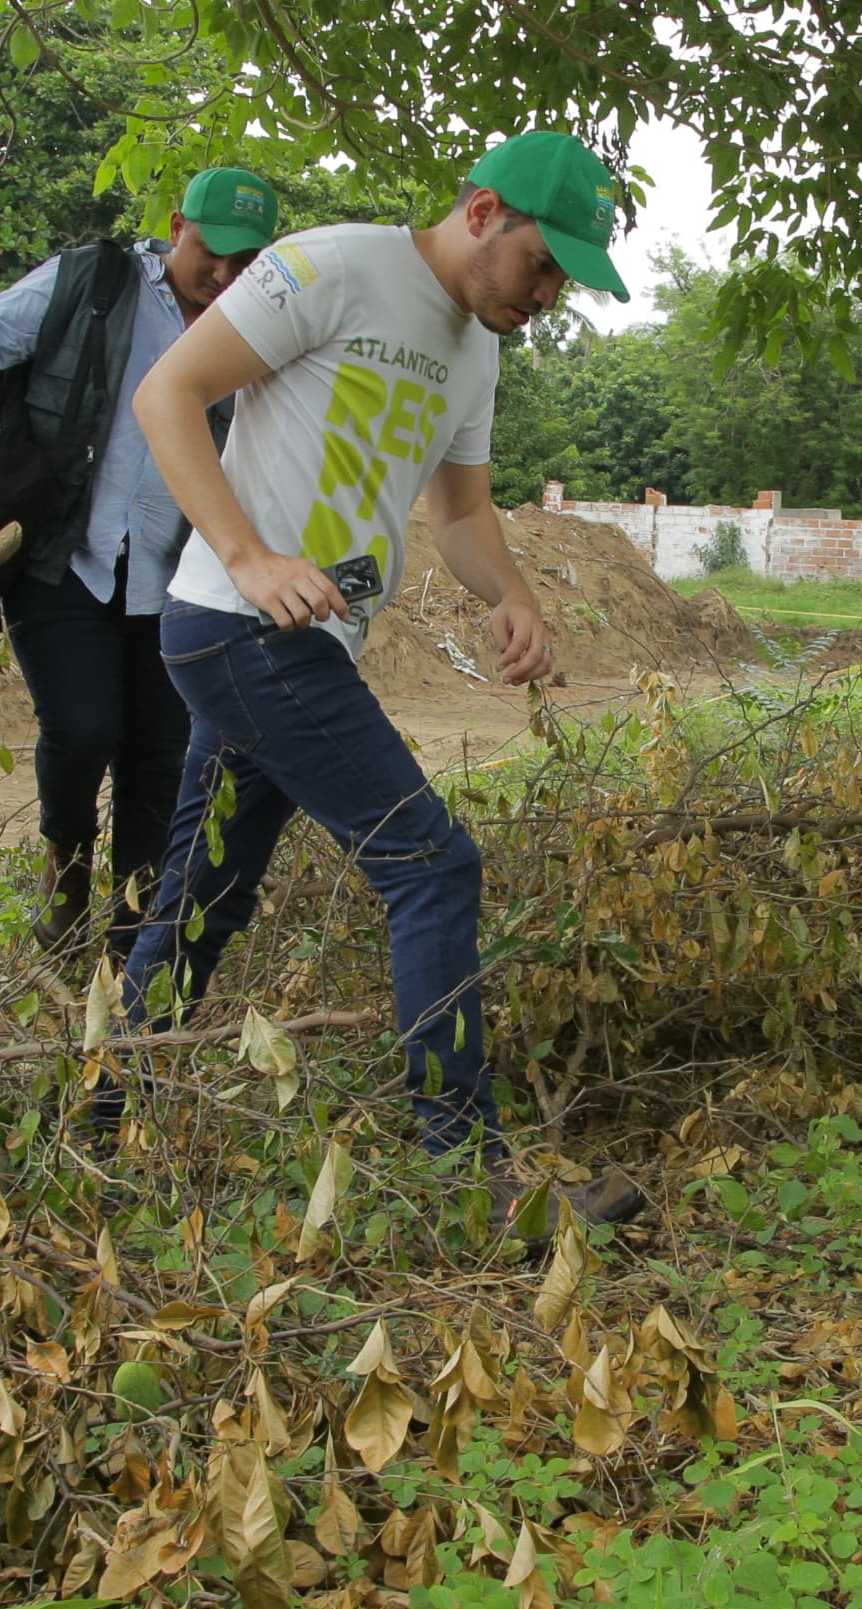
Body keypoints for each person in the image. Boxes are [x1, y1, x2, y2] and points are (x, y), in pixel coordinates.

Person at [110, 131, 640, 1210]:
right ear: (483, 212)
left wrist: (514, 596)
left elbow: (460, 512)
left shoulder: (477, 346)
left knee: (201, 897)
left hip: (288, 641)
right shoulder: (331, 265)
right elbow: (167, 394)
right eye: (542, 263)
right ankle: (468, 1168)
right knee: (431, 864)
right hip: (240, 625)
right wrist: (250, 555)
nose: (547, 295)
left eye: (564, 281)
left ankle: (91, 1109)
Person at [0, 169, 283, 957]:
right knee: (83, 729)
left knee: (161, 757)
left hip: (177, 579)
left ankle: (132, 936)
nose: (224, 274)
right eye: (214, 252)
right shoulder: (97, 279)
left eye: (247, 260)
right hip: (65, 557)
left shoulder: (260, 328)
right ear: (177, 226)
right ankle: (67, 869)